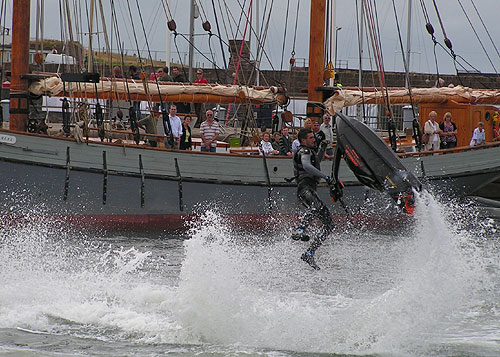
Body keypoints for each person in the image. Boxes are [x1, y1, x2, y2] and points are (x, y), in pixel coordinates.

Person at [291, 128, 333, 270]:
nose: (314, 139)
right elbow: (307, 166)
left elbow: (315, 162)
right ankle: (300, 229)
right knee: (315, 207)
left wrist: (322, 148)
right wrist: (325, 177)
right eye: (310, 138)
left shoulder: (310, 151)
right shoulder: (303, 151)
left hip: (310, 190)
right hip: (305, 189)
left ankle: (309, 253)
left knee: (329, 225)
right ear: (303, 140)